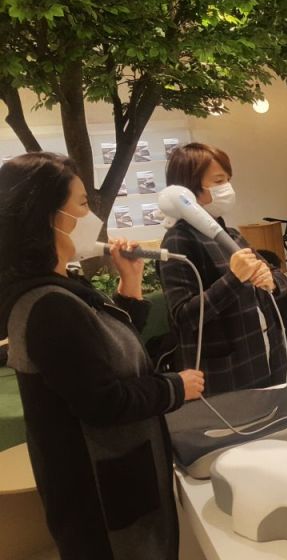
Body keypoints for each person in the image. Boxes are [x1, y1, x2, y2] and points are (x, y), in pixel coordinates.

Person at [0, 152, 205, 559]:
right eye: (81, 204)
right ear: (48, 217)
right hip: (100, 496)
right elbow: (103, 401)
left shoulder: (60, 288)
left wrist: (130, 282)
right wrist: (174, 388)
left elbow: (103, 350)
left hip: (117, 475)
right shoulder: (48, 305)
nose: (91, 216)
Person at [160, 143, 287, 394]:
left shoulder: (230, 235)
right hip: (228, 374)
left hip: (268, 358)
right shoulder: (179, 240)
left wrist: (272, 281)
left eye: (228, 180)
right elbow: (184, 317)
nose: (227, 188)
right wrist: (233, 279)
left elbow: (277, 276)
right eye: (219, 181)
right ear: (187, 190)